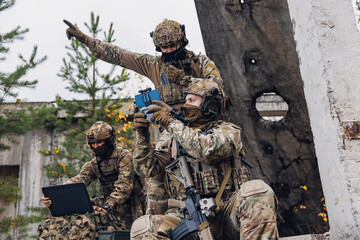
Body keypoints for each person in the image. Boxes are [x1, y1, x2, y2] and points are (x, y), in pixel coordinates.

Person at [131, 79, 279, 239]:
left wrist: (171, 123)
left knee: (256, 190)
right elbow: (145, 169)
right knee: (143, 227)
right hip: (186, 216)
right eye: (186, 100)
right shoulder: (171, 137)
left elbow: (206, 150)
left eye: (191, 100)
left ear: (209, 105)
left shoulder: (227, 130)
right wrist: (142, 136)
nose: (185, 105)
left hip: (226, 214)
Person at [64, 18, 224, 111]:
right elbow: (119, 55)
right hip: (171, 128)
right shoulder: (153, 64)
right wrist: (86, 40)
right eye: (164, 48)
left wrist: (187, 81)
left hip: (203, 124)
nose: (168, 50)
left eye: (172, 46)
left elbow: (217, 87)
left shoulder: (201, 62)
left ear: (182, 41)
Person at [38, 121, 144, 239]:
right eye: (92, 143)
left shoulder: (124, 156)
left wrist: (106, 207)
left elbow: (124, 187)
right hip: (109, 208)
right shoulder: (95, 163)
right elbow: (79, 180)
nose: (95, 146)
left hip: (132, 208)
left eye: (99, 142)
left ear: (110, 141)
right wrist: (55, 196)